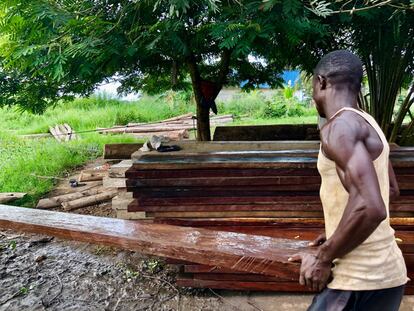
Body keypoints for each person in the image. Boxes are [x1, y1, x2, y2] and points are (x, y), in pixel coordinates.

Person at [289, 50, 408, 311]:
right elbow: (390, 191)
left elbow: (371, 206)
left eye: (313, 88)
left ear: (321, 82)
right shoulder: (369, 123)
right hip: (388, 275)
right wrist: (337, 231)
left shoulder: (338, 127)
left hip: (357, 279)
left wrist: (323, 256)